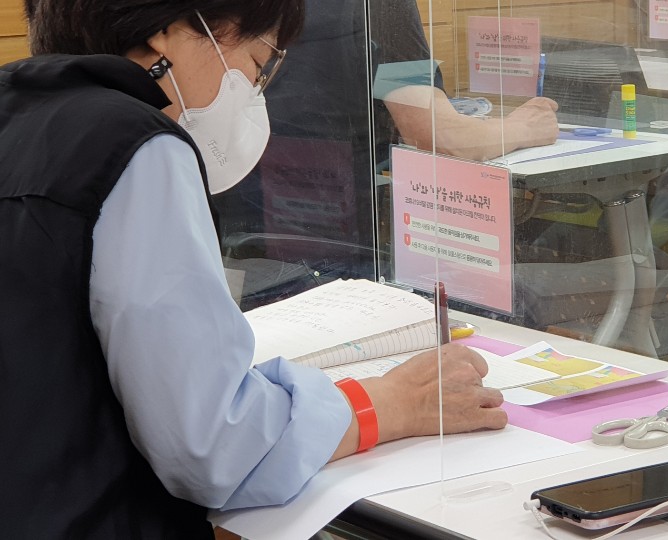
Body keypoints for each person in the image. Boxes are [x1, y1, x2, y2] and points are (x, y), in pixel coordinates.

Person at [2, 1, 506, 537]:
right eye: (257, 64)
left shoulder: (17, 112)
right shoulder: (135, 145)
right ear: (166, 33)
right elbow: (216, 447)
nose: (251, 92)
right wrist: (391, 401)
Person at [212, 0, 559, 295]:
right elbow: (437, 136)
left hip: (238, 234)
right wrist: (524, 127)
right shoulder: (379, 6)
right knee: (519, 299)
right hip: (335, 244)